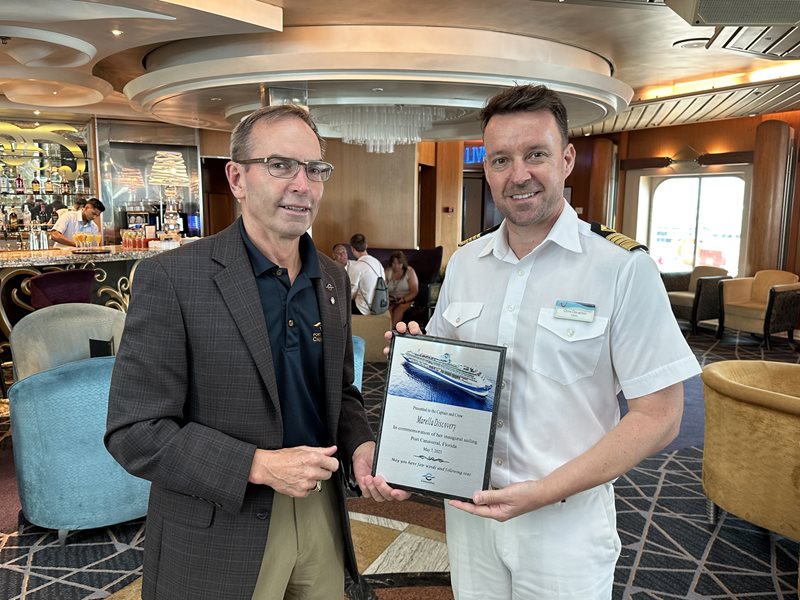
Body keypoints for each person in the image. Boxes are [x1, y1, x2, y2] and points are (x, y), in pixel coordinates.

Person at [394, 84, 701, 599]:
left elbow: (661, 415)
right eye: (500, 160)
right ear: (487, 169)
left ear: (566, 159)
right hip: (470, 509)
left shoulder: (622, 268)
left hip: (566, 520)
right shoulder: (465, 263)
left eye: (535, 154)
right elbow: (449, 384)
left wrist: (545, 492)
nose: (519, 175)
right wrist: (416, 360)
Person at [105, 105, 408, 600]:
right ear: (237, 178)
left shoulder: (330, 280)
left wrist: (359, 446)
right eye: (280, 165)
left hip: (319, 513)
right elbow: (134, 431)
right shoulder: (174, 279)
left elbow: (340, 392)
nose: (301, 184)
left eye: (314, 169)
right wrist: (257, 465)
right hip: (222, 523)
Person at [348, 232, 384, 315]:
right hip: (380, 305)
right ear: (366, 245)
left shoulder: (356, 266)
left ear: (352, 249)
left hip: (364, 309)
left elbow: (351, 292)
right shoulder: (378, 263)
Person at [384, 250, 418, 328]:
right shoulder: (387, 272)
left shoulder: (410, 271)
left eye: (399, 263)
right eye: (394, 263)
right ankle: (386, 330)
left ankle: (392, 331)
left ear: (403, 263)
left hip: (406, 299)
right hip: (391, 299)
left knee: (399, 309)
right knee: (387, 309)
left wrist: (404, 299)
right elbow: (382, 288)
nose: (396, 266)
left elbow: (414, 291)